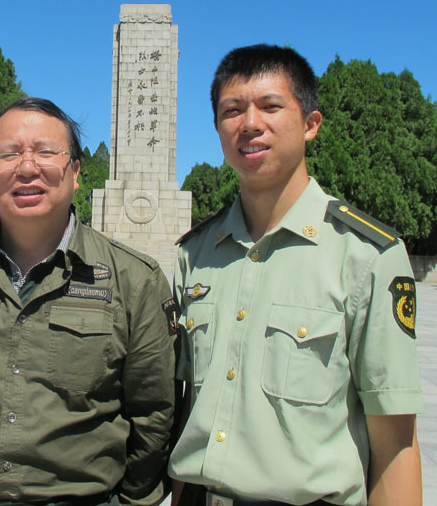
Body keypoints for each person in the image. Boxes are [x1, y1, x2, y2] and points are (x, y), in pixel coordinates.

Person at [168, 45, 423, 506]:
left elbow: (396, 443)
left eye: (270, 106)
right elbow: (189, 410)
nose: (249, 124)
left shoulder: (367, 256)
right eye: (232, 110)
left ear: (310, 124)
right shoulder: (195, 255)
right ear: (218, 129)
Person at [0, 98, 177, 506]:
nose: (27, 167)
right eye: (8, 153)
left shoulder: (135, 280)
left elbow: (154, 415)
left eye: (47, 152)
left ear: (76, 171)